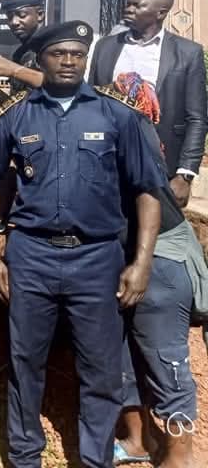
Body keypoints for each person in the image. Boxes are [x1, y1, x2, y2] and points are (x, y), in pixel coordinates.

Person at [0, 21, 164, 468]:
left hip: (97, 258)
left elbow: (147, 192)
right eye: (59, 53)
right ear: (41, 60)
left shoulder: (117, 115)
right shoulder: (16, 115)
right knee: (25, 364)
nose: (69, 60)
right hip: (31, 256)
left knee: (99, 371)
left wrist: (141, 263)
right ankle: (24, 457)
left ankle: (94, 459)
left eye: (78, 53)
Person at [107, 73, 203, 468]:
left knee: (165, 357)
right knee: (121, 354)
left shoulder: (131, 132)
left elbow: (146, 202)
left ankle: (180, 455)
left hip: (157, 258)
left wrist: (142, 263)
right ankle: (136, 441)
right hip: (118, 256)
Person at [89, 0, 208, 208]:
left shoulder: (187, 53)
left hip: (161, 164)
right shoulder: (106, 46)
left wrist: (185, 174)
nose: (128, 9)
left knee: (158, 236)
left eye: (137, 5)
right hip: (108, 160)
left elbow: (197, 118)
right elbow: (90, 102)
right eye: (128, 3)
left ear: (160, 13)